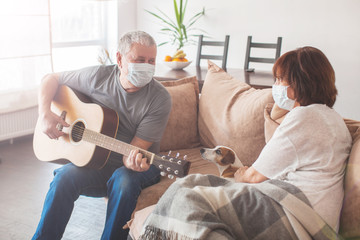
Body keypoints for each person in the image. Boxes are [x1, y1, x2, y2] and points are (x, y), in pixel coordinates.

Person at [139, 46, 352, 239]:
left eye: (279, 80)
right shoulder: (332, 118)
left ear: (299, 84)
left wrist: (241, 174)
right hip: (313, 214)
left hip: (296, 213)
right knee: (189, 184)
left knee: (188, 197)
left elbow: (253, 176)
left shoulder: (303, 118)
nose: (275, 86)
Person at [32, 31, 172, 240]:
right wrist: (44, 113)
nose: (147, 66)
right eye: (139, 59)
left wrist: (132, 162)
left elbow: (131, 153)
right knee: (64, 177)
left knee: (123, 179)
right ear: (119, 59)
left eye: (151, 60)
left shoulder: (159, 98)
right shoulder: (98, 77)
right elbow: (51, 78)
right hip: (97, 161)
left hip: (139, 165)